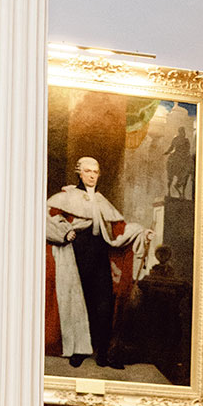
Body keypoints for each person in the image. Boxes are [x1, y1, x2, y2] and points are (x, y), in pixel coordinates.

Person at [45, 157, 151, 368]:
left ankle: (103, 353)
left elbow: (118, 230)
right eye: (88, 171)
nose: (92, 175)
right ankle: (78, 351)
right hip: (75, 254)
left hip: (100, 253)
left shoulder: (102, 201)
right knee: (78, 301)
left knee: (103, 303)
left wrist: (141, 232)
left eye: (95, 171)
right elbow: (48, 219)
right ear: (80, 173)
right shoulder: (66, 197)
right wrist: (65, 233)